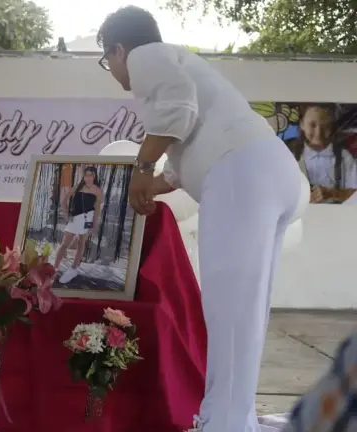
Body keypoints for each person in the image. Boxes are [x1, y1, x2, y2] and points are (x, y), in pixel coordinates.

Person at [97, 6, 302, 432]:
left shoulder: (146, 55)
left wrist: (141, 169)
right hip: (271, 172)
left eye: (107, 60)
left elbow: (178, 109)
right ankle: (234, 416)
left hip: (241, 172)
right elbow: (186, 145)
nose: (113, 69)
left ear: (119, 48)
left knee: (228, 310)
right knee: (246, 310)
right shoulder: (181, 61)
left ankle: (223, 423)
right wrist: (156, 183)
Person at [289, 104, 357, 203]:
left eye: (325, 126)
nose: (318, 133)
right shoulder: (289, 156)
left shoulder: (344, 157)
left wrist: (333, 194)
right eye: (312, 125)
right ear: (302, 124)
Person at [54, 166, 103, 284]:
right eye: (86, 175)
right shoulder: (77, 187)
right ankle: (55, 268)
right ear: (83, 176)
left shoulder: (97, 190)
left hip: (88, 217)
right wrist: (65, 214)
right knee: (65, 243)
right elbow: (64, 200)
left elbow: (97, 209)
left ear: (94, 176)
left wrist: (95, 224)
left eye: (91, 175)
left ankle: (74, 268)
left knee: (81, 243)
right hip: (75, 218)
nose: (88, 178)